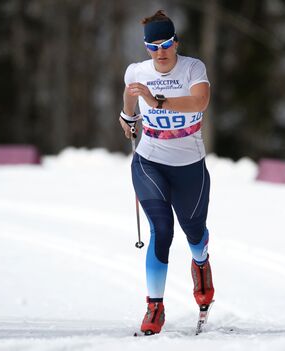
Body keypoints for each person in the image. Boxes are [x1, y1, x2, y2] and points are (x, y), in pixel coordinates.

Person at [118, 10, 214, 335]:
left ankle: (201, 263)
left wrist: (156, 102)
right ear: (146, 47)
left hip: (189, 166)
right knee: (161, 229)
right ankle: (154, 306)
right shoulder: (137, 72)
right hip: (149, 160)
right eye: (153, 46)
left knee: (195, 233)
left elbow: (199, 102)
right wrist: (127, 116)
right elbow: (130, 93)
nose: (161, 52)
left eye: (167, 44)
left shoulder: (192, 68)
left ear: (176, 42)